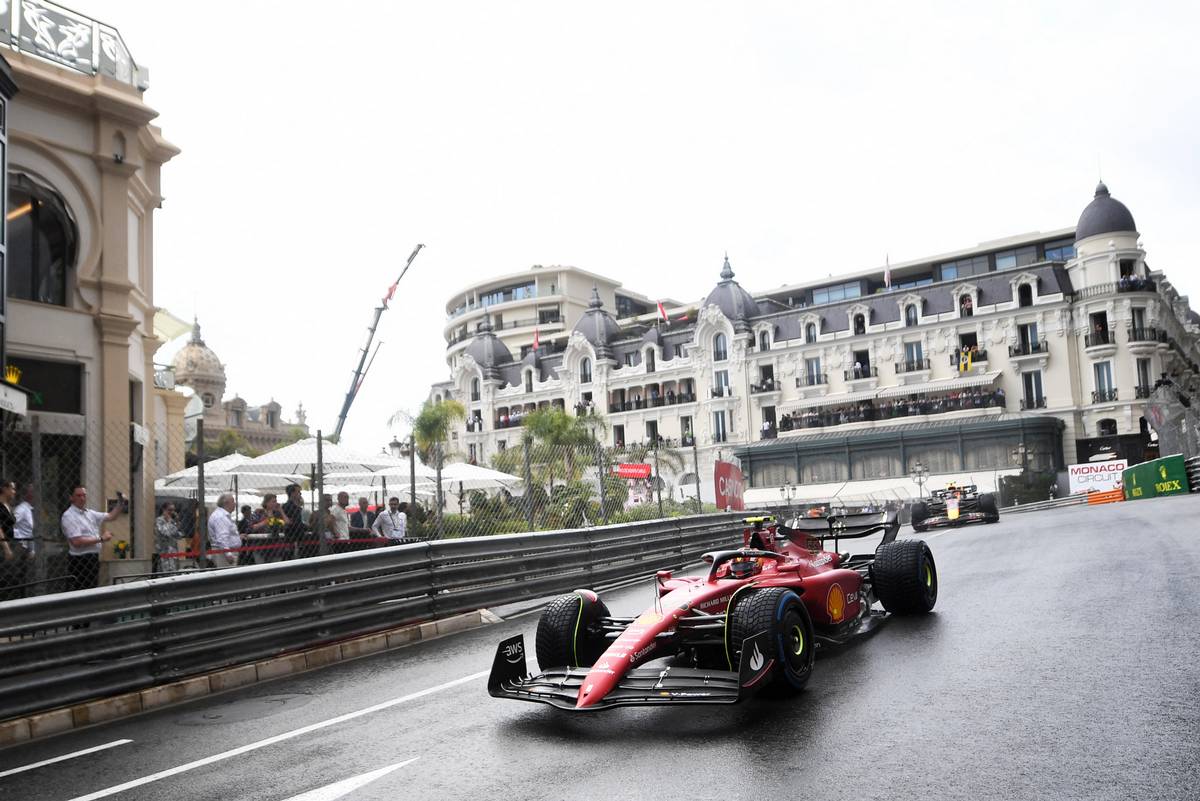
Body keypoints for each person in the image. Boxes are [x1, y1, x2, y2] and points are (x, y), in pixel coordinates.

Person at [60, 484, 125, 590]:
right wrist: (101, 539)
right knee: (81, 590)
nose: (82, 498)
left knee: (92, 589)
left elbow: (111, 516)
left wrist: (121, 503)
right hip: (80, 560)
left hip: (93, 559)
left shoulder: (89, 513)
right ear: (71, 497)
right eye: (78, 495)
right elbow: (76, 541)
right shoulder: (69, 516)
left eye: (84, 495)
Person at [0, 480, 22, 600]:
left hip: (11, 543)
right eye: (12, 489)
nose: (14, 492)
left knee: (13, 577)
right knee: (5, 578)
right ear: (4, 489)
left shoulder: (8, 505)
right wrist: (6, 548)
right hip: (3, 547)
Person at [207, 493, 240, 568]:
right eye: (233, 501)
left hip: (224, 551)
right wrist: (228, 554)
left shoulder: (222, 515)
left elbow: (224, 534)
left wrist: (236, 536)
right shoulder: (221, 517)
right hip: (224, 553)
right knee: (228, 573)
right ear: (226, 503)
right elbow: (222, 537)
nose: (235, 504)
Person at [282, 483, 310, 559]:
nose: (300, 494)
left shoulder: (298, 507)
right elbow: (293, 522)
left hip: (298, 536)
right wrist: (306, 526)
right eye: (298, 492)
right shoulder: (287, 506)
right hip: (292, 536)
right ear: (292, 493)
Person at [154, 502, 182, 575]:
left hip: (173, 552)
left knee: (175, 574)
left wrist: (177, 523)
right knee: (165, 575)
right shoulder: (159, 521)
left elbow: (179, 535)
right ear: (164, 510)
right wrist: (169, 522)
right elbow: (166, 533)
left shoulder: (172, 521)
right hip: (164, 553)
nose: (172, 512)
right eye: (170, 510)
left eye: (173, 510)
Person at [13, 484, 35, 559]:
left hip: (32, 551)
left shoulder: (31, 510)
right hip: (23, 553)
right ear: (28, 494)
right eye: (33, 492)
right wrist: (21, 542)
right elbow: (8, 524)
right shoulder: (21, 509)